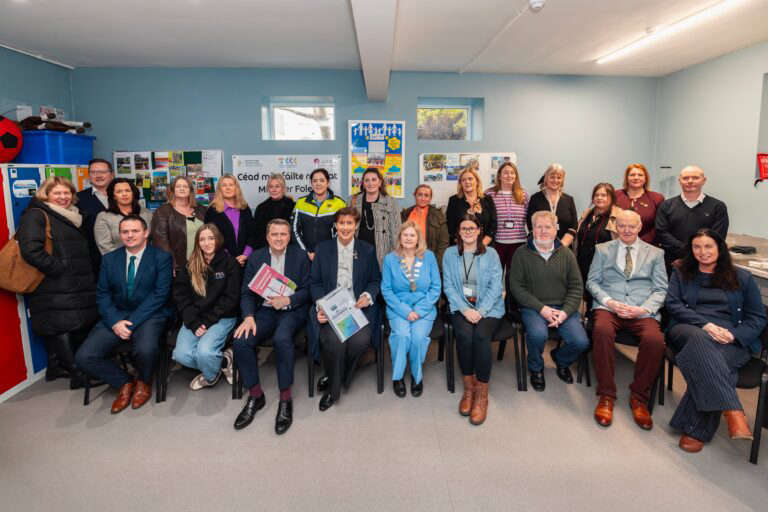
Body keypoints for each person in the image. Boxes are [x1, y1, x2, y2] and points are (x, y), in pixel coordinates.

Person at [665, 229, 766, 453]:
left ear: (720, 248)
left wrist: (734, 335)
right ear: (691, 250)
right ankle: (732, 409)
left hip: (730, 337)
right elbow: (673, 305)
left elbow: (757, 317)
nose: (703, 252)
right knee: (700, 340)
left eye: (708, 246)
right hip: (689, 329)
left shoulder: (742, 277)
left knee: (711, 362)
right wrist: (705, 325)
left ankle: (694, 429)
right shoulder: (681, 271)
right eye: (697, 247)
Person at [75, 215, 173, 414]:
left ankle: (144, 381)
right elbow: (102, 294)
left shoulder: (161, 257)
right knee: (84, 356)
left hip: (150, 314)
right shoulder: (110, 259)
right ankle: (124, 382)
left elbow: (160, 295)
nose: (130, 235)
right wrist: (115, 322)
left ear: (146, 233)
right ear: (120, 235)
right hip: (116, 316)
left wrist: (131, 322)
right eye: (125, 232)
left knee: (145, 349)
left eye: (135, 231)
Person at [586, 210, 668, 430]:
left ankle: (639, 397)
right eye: (622, 225)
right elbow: (592, 282)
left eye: (631, 226)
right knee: (601, 331)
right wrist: (610, 302)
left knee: (655, 341)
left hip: (641, 309)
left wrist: (643, 309)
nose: (627, 230)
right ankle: (606, 395)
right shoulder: (602, 250)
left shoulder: (655, 254)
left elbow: (661, 289)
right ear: (616, 226)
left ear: (640, 227)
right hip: (609, 306)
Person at [17, 177, 99, 388]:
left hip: (74, 282)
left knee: (71, 325)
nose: (63, 197)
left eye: (66, 193)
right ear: (46, 195)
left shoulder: (73, 215)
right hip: (54, 284)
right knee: (62, 326)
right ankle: (77, 374)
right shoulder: (36, 215)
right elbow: (31, 250)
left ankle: (56, 367)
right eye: (57, 193)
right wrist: (59, 269)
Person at [232, 219, 310, 434]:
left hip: (291, 311)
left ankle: (285, 397)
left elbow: (308, 290)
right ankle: (256, 395)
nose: (279, 238)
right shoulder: (256, 257)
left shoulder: (300, 256)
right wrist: (248, 317)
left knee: (282, 339)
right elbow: (247, 293)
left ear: (289, 236)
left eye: (283, 234)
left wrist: (288, 300)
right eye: (274, 234)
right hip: (264, 311)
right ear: (267, 237)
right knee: (241, 341)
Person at [310, 207, 380, 411]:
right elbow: (315, 282)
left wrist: (367, 296)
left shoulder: (367, 249)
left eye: (350, 223)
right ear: (335, 225)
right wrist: (321, 305)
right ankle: (333, 391)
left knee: (359, 342)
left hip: (357, 308)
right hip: (332, 309)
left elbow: (375, 280)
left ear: (356, 226)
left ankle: (335, 374)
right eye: (342, 223)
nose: (346, 227)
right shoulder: (323, 249)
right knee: (335, 342)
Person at [510, 211, 589, 392]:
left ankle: (561, 360)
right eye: (539, 227)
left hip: (563, 307)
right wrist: (541, 308)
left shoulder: (567, 254)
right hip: (533, 307)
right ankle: (536, 368)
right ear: (532, 229)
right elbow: (516, 287)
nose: (543, 231)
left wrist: (565, 312)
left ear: (556, 230)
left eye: (548, 227)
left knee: (580, 342)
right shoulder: (521, 254)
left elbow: (576, 287)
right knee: (538, 335)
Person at [442, 214, 504, 425]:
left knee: (481, 337)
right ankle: (469, 389)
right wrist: (464, 309)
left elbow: (496, 285)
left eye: (471, 228)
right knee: (464, 335)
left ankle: (482, 395)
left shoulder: (491, 254)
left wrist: (482, 310)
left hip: (489, 308)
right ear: (459, 232)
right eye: (464, 228)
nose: (468, 231)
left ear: (479, 231)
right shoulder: (450, 254)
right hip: (461, 307)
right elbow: (448, 285)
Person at [171, 224, 239, 390]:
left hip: (221, 316)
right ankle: (223, 361)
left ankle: (210, 376)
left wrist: (207, 322)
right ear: (197, 242)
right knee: (180, 355)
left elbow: (230, 299)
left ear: (218, 240)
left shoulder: (230, 263)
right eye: (202, 239)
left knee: (205, 352)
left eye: (211, 238)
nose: (207, 243)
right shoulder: (190, 265)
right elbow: (181, 297)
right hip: (195, 317)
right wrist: (193, 323)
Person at [381, 221, 441, 397]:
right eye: (405, 235)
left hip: (424, 308)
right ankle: (398, 377)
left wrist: (420, 310)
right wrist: (405, 311)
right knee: (401, 335)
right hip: (398, 308)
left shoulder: (429, 257)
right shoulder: (390, 259)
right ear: (400, 237)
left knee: (418, 338)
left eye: (412, 235)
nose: (408, 238)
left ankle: (417, 376)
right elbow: (386, 290)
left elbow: (436, 287)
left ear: (418, 239)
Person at [655, 165, 729, 270]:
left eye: (695, 178)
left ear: (704, 180)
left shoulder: (718, 207)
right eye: (685, 178)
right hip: (673, 263)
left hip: (704, 264)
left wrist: (693, 255)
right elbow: (661, 233)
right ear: (679, 181)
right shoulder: (666, 205)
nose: (690, 181)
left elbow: (718, 237)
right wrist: (687, 253)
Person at [150, 176, 206, 272]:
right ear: (172, 190)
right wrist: (170, 263)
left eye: (185, 186)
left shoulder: (202, 210)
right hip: (179, 267)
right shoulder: (162, 212)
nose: (182, 189)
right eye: (178, 186)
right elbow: (161, 242)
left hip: (202, 263)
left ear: (190, 190)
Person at [349, 167, 401, 267]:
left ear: (380, 182)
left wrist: (396, 255)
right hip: (359, 251)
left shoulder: (390, 202)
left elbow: (396, 231)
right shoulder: (354, 201)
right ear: (363, 183)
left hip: (383, 252)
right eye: (367, 180)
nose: (370, 183)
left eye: (374, 179)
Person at [485, 162, 528, 281]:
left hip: (518, 243)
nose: (509, 175)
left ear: (516, 176)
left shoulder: (523, 194)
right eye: (505, 173)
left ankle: (510, 295)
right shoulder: (489, 194)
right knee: (494, 277)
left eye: (512, 173)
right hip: (496, 243)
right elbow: (486, 219)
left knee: (514, 279)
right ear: (499, 176)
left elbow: (529, 218)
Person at [292, 168, 346, 261]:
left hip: (330, 255)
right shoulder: (300, 203)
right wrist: (306, 252)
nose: (318, 184)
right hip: (305, 256)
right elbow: (294, 230)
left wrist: (326, 252)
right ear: (311, 183)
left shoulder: (339, 203)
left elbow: (342, 231)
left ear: (328, 183)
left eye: (322, 180)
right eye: (315, 181)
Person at [204, 175, 257, 268]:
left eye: (231, 185)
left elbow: (252, 234)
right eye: (224, 185)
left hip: (245, 261)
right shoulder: (212, 211)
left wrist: (245, 255)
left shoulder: (245, 209)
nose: (228, 188)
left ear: (236, 188)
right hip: (222, 262)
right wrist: (230, 259)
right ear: (220, 189)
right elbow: (211, 238)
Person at [575, 183, 622, 283]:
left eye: (604, 195)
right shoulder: (587, 214)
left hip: (604, 268)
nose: (599, 198)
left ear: (612, 198)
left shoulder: (619, 216)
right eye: (596, 195)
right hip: (582, 264)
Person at [94, 178, 153, 255]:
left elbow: (153, 240)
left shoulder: (147, 213)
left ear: (133, 193)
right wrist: (127, 259)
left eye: (127, 191)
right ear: (114, 196)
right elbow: (104, 245)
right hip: (117, 260)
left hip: (147, 258)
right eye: (119, 192)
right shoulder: (104, 217)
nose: (124, 194)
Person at [526, 164, 578, 247]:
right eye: (552, 177)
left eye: (559, 177)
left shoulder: (569, 200)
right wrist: (542, 244)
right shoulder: (535, 198)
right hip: (540, 246)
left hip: (564, 247)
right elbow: (530, 223)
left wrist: (562, 245)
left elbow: (574, 225)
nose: (555, 180)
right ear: (546, 178)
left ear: (562, 180)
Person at [400, 184, 449, 271]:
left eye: (426, 195)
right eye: (420, 195)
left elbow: (443, 243)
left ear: (430, 198)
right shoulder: (405, 214)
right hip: (408, 259)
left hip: (429, 260)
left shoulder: (438, 216)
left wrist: (436, 264)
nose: (423, 198)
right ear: (414, 195)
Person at [77, 158, 114, 269]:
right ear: (89, 176)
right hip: (93, 258)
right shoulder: (78, 198)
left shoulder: (122, 194)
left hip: (123, 252)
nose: (98, 175)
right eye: (93, 172)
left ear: (112, 175)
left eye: (103, 172)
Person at [614, 163, 664, 244]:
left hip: (648, 245)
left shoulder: (657, 198)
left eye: (640, 175)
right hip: (619, 244)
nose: (636, 178)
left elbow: (659, 225)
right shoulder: (615, 196)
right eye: (632, 175)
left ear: (645, 178)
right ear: (626, 178)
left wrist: (640, 243)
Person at [446, 166, 496, 246]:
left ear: (477, 181)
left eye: (470, 179)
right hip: (461, 247)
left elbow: (493, 225)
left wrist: (482, 245)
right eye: (463, 180)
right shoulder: (453, 201)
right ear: (460, 184)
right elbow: (451, 228)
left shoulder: (487, 199)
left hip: (485, 246)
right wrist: (466, 245)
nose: (467, 182)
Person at [253, 173, 295, 249]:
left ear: (283, 188)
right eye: (271, 186)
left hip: (289, 249)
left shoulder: (293, 206)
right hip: (267, 249)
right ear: (268, 189)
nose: (274, 189)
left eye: (277, 186)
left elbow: (295, 231)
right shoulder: (261, 208)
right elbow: (257, 234)